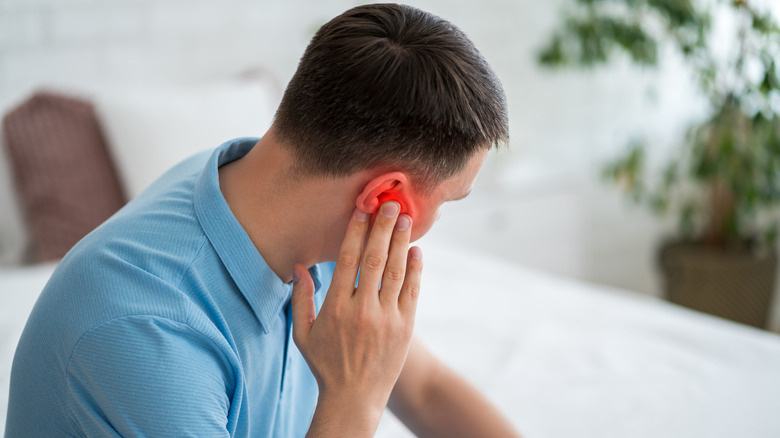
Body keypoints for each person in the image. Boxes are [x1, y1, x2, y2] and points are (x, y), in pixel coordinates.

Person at [6, 3, 520, 437]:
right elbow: (374, 394)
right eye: (449, 201)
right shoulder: (144, 333)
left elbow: (426, 390)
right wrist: (354, 397)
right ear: (386, 198)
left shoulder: (272, 191)